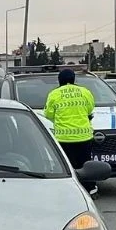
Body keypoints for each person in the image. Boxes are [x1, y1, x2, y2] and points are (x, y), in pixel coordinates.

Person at [44, 68, 98, 196]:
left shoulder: (54, 94)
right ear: (74, 79)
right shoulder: (84, 92)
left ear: (59, 80)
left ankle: (70, 191)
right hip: (84, 136)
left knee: (67, 166)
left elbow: (48, 114)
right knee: (85, 164)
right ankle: (90, 188)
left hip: (64, 138)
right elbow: (90, 109)